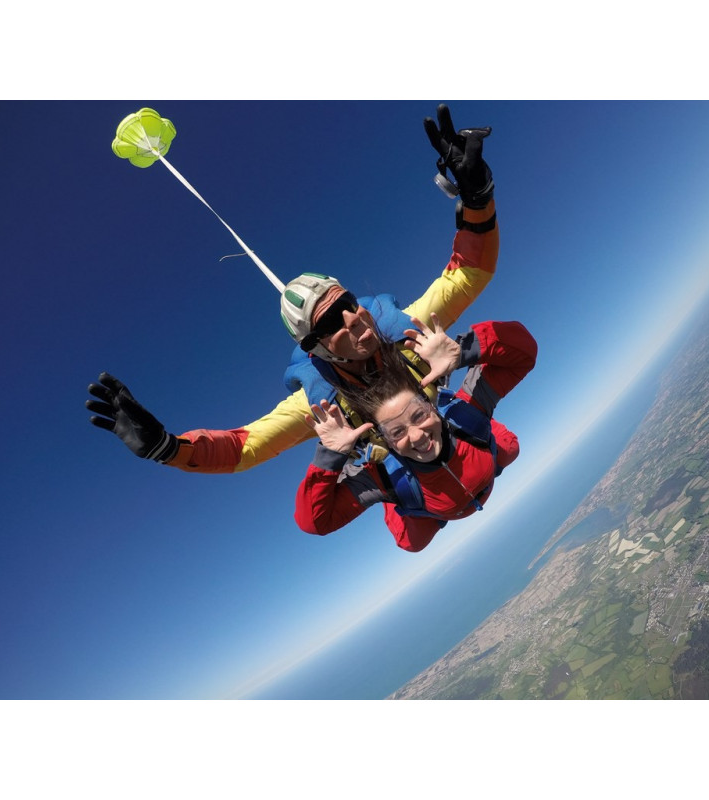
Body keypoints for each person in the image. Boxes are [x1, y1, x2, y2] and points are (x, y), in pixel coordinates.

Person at [87, 104, 502, 473]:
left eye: (349, 304)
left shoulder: (405, 329)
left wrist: (476, 195)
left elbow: (469, 272)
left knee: (511, 345)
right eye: (330, 323)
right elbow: (244, 447)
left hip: (448, 441)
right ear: (315, 349)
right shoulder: (320, 401)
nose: (353, 320)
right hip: (416, 465)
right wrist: (168, 448)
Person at [294, 313, 538, 552]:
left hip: (476, 469)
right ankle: (395, 504)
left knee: (509, 447)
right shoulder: (385, 476)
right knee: (411, 543)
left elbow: (524, 349)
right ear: (385, 441)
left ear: (432, 405)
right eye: (397, 432)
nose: (418, 436)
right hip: (426, 505)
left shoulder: (465, 414)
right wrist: (331, 457)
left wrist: (462, 352)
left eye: (419, 415)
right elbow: (315, 522)